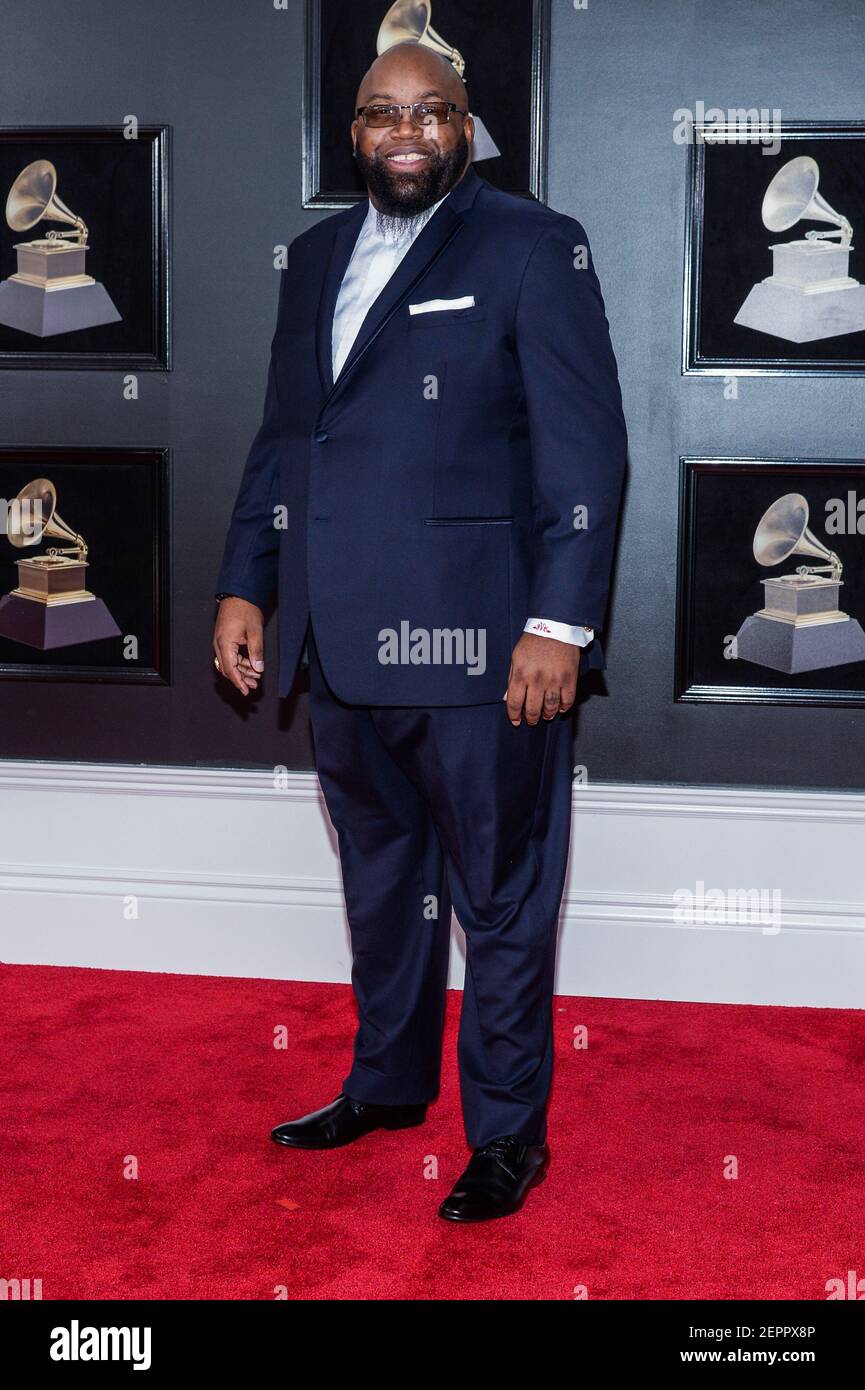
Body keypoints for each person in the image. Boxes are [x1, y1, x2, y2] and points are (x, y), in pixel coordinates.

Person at [213, 39, 627, 1223]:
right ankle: (387, 1085)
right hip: (336, 643)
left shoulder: (533, 244)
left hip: (482, 648)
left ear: (465, 125)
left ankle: (505, 1138)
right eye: (382, 113)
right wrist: (249, 582)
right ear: (353, 134)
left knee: (497, 896)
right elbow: (284, 438)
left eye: (430, 111)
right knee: (384, 883)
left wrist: (558, 621)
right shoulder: (312, 257)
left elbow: (585, 448)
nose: (407, 130)